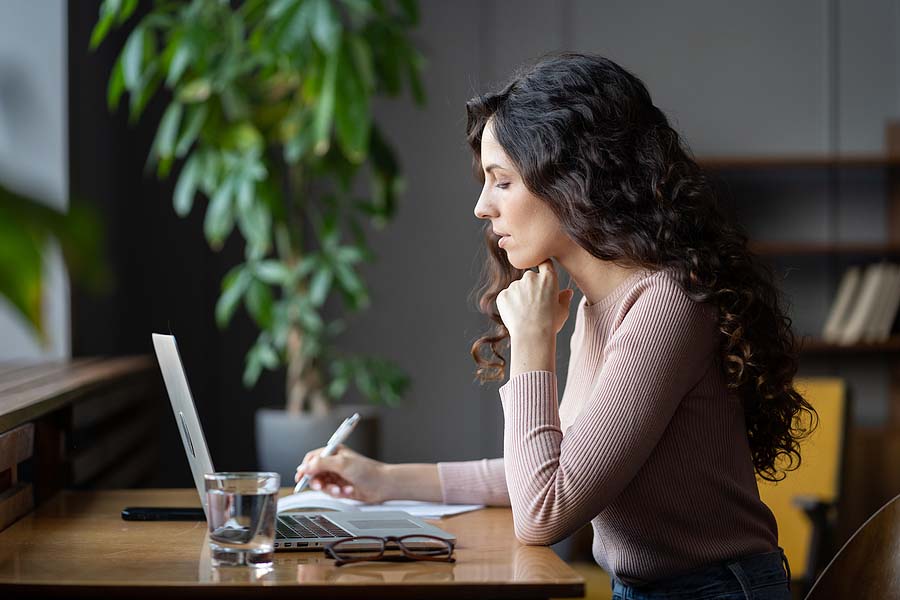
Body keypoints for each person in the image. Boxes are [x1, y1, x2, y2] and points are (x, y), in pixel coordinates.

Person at [294, 52, 815, 599]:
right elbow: (546, 468)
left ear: (572, 180)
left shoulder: (666, 306)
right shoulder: (601, 304)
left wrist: (533, 340)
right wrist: (384, 480)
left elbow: (545, 510)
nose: (481, 207)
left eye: (501, 181)